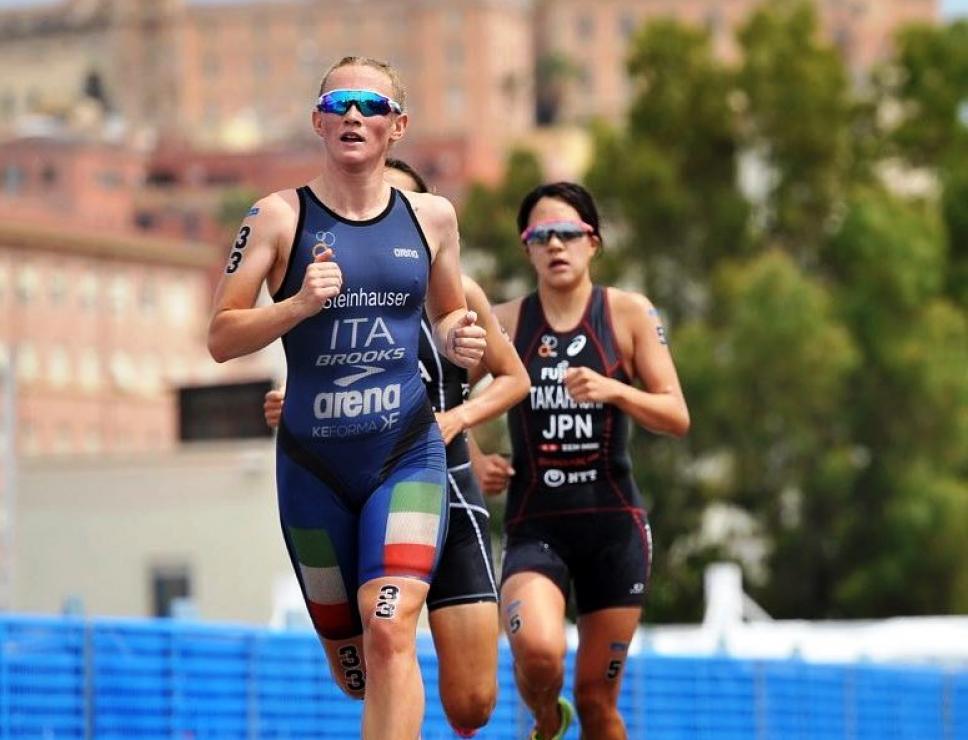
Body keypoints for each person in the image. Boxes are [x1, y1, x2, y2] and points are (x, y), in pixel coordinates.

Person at [206, 57, 486, 740]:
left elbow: (449, 312)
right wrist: (299, 304)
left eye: (371, 105)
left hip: (405, 454)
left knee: (390, 628)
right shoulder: (276, 217)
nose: (354, 115)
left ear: (398, 125)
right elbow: (221, 336)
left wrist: (460, 335)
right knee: (355, 666)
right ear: (318, 121)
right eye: (339, 104)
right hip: (314, 469)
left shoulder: (432, 218)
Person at [263, 158, 530, 737]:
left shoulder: (460, 295)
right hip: (351, 482)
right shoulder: (338, 289)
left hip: (441, 483)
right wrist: (293, 404)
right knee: (362, 671)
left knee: (471, 702)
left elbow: (514, 378)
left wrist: (458, 421)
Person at [487, 182, 690, 740]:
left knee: (598, 701)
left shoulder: (627, 313)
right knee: (538, 653)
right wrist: (475, 459)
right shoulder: (505, 322)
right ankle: (548, 722)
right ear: (526, 248)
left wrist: (614, 389)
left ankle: (572, 716)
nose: (556, 245)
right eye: (541, 235)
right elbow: (438, 395)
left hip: (613, 529)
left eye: (568, 233)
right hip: (535, 527)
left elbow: (675, 415)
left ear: (593, 241)